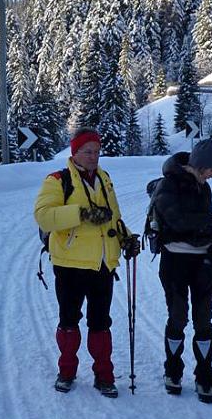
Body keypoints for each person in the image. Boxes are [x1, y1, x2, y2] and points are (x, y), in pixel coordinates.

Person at [34, 128, 138, 398]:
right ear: (75, 152)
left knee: (101, 322)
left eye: (97, 151)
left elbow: (113, 216)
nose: (94, 156)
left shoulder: (104, 178)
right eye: (88, 151)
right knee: (69, 320)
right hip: (70, 264)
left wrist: (125, 238)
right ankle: (66, 371)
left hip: (102, 263)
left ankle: (104, 375)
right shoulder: (58, 180)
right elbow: (44, 216)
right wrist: (81, 214)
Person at [149, 138, 212, 403]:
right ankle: (173, 373)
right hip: (175, 261)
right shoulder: (169, 184)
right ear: (200, 165)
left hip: (203, 263)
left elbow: (201, 225)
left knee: (203, 321)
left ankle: (204, 376)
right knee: (178, 318)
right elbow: (177, 221)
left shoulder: (205, 188)